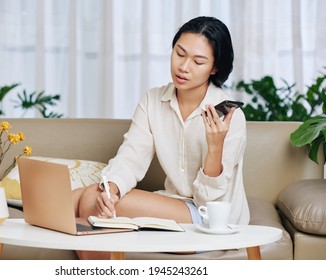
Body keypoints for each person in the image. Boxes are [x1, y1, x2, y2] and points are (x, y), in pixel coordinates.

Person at [72, 16, 250, 259]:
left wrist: (215, 146)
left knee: (91, 199)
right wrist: (111, 190)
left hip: (211, 218)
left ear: (215, 68)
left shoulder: (230, 117)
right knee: (68, 201)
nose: (184, 67)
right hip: (172, 204)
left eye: (198, 61)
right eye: (180, 53)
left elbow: (207, 198)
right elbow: (131, 156)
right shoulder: (153, 100)